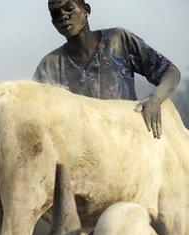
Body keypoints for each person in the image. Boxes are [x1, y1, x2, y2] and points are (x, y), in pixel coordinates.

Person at [34, 0, 181, 139]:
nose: (63, 16)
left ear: (86, 10)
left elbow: (170, 71)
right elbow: (37, 115)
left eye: (69, 8)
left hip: (131, 143)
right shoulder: (50, 66)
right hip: (85, 156)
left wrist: (156, 98)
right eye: (56, 14)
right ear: (53, 23)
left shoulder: (118, 40)